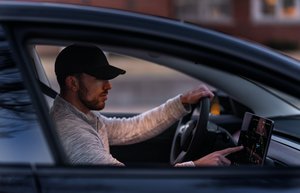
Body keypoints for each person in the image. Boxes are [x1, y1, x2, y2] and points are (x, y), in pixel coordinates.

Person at [50, 44, 243, 167]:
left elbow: (131, 128)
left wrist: (181, 101)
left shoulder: (82, 116)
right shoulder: (74, 133)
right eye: (101, 79)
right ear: (72, 83)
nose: (109, 86)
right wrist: (195, 166)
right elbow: (125, 185)